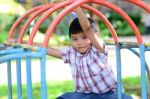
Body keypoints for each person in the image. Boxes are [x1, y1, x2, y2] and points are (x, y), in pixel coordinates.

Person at [7, 7, 132, 99]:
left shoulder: (98, 49)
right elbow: (45, 49)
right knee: (63, 98)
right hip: (83, 95)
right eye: (75, 39)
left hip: (107, 94)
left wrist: (77, 8)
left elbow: (88, 30)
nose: (80, 42)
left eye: (84, 37)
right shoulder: (71, 53)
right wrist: (19, 41)